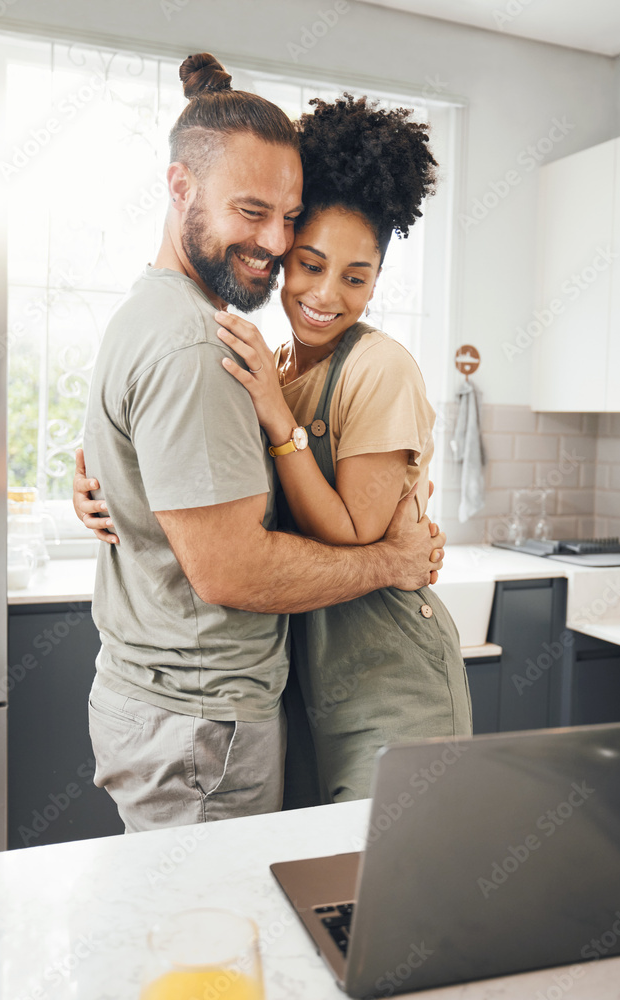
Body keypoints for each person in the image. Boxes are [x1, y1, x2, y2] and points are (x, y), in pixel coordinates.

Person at [77, 52, 445, 835]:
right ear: (181, 189)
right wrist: (393, 561)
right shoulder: (217, 350)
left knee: (365, 903)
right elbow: (231, 562)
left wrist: (132, 486)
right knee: (228, 935)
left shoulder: (199, 332)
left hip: (347, 678)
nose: (277, 246)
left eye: (287, 218)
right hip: (208, 716)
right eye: (259, 217)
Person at [212, 94, 472, 803]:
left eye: (355, 278)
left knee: (390, 897)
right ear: (282, 256)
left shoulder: (377, 367)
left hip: (394, 688)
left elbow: (355, 532)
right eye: (310, 265)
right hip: (305, 684)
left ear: (377, 280)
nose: (327, 295)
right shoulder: (282, 366)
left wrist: (278, 420)